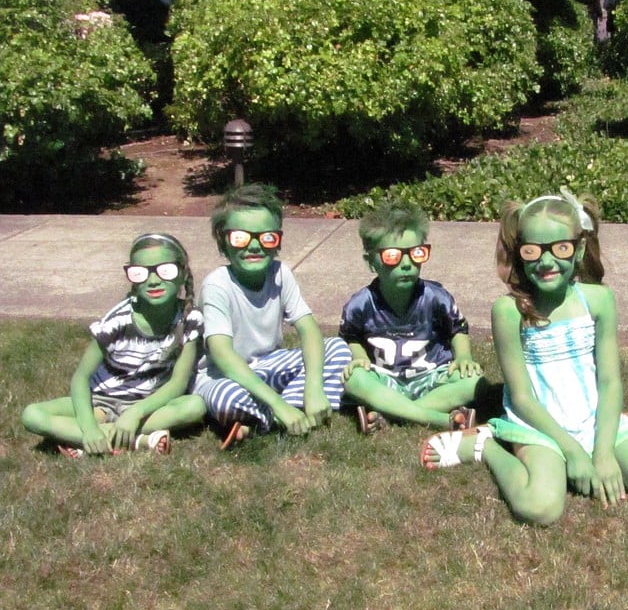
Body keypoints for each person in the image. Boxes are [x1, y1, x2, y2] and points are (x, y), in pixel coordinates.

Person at [419, 190, 628, 525]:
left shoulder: (599, 300)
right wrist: (572, 451)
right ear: (520, 253)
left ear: (577, 250)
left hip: (592, 420)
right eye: (533, 251)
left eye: (560, 248)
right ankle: (485, 445)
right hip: (539, 426)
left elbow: (608, 381)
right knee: (541, 508)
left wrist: (602, 453)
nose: (546, 262)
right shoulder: (508, 311)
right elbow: (520, 396)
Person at [193, 183, 352, 447]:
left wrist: (313, 387)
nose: (254, 246)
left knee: (337, 348)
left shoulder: (280, 273)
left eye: (266, 237)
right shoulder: (217, 285)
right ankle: (283, 410)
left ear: (277, 240)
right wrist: (277, 403)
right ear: (223, 241)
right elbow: (222, 354)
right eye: (240, 238)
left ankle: (273, 414)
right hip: (225, 375)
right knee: (225, 398)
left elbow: (309, 329)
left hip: (269, 364)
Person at [22, 233, 205, 456]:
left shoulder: (190, 318)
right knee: (32, 415)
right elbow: (81, 378)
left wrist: (136, 412)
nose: (154, 280)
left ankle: (86, 439)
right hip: (101, 402)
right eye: (141, 273)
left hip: (149, 407)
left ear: (183, 273)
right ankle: (135, 440)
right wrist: (89, 427)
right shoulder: (117, 321)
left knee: (195, 406)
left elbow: (178, 383)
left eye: (165, 270)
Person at [339, 200, 484, 433]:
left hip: (432, 377)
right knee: (354, 379)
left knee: (475, 381)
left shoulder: (437, 297)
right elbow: (350, 337)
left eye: (416, 253)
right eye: (392, 256)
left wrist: (464, 357)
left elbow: (458, 330)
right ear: (371, 263)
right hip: (386, 380)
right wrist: (358, 357)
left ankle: (390, 413)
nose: (406, 264)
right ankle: (437, 418)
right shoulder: (360, 304)